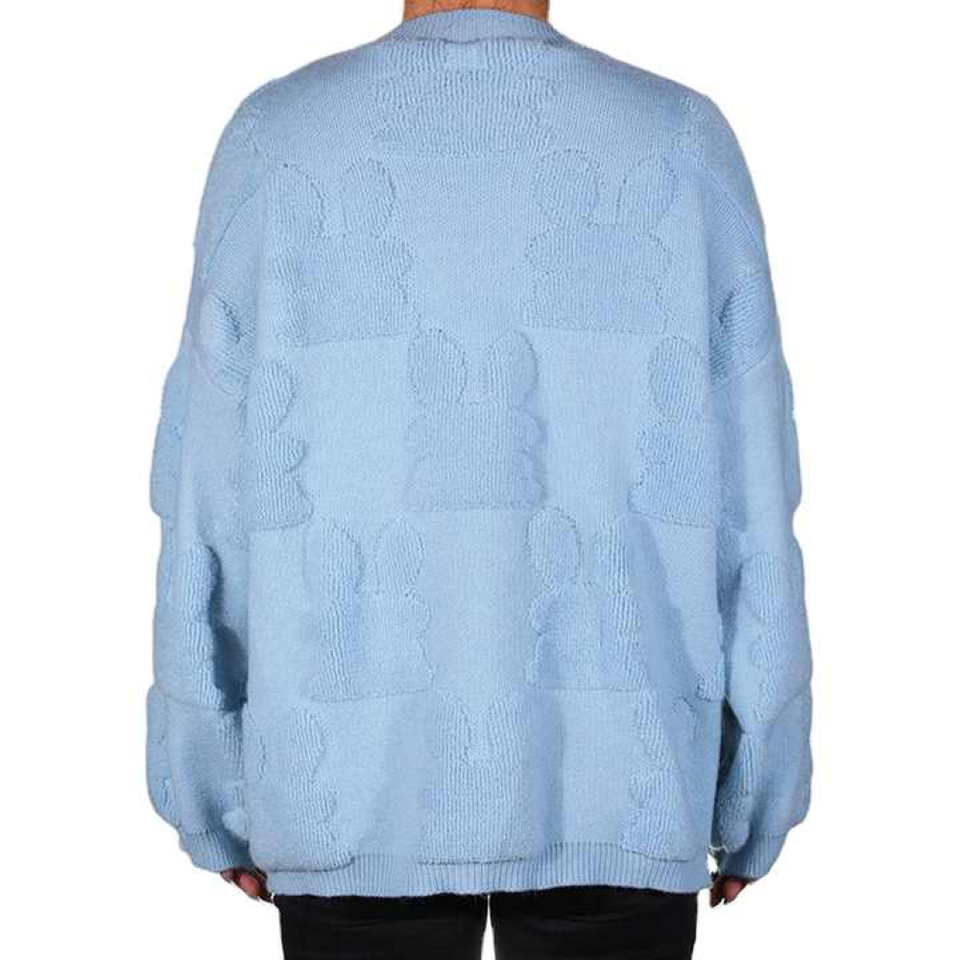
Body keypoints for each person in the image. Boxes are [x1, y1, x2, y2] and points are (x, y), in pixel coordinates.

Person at [146, 1, 812, 956]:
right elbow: (753, 485)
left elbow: (211, 482)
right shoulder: (676, 137)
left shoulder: (277, 139)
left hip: (348, 782)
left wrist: (212, 780)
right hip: (628, 773)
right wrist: (759, 784)